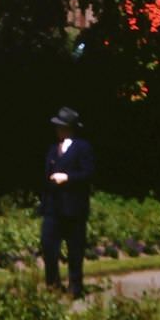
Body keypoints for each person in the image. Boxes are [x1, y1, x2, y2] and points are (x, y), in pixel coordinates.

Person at [41, 105, 94, 299]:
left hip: (74, 207)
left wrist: (68, 178)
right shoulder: (53, 149)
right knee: (48, 246)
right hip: (53, 207)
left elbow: (88, 174)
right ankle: (52, 284)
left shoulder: (82, 147)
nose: (58, 130)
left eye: (61, 127)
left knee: (75, 249)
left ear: (69, 128)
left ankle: (75, 286)